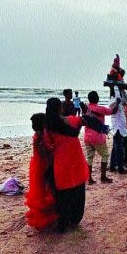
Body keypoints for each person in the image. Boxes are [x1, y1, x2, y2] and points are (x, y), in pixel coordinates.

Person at [44, 98, 89, 232]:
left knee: (63, 194)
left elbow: (48, 145)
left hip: (60, 162)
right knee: (78, 190)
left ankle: (62, 222)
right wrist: (84, 111)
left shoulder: (48, 126)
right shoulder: (71, 120)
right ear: (60, 108)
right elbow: (85, 120)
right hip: (75, 160)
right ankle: (75, 218)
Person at [25, 113, 58, 230]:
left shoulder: (36, 135)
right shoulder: (42, 137)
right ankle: (47, 217)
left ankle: (43, 215)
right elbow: (45, 152)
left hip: (36, 164)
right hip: (43, 165)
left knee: (39, 189)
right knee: (47, 189)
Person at [83, 91, 115, 184]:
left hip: (87, 136)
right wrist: (116, 102)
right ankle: (103, 177)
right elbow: (112, 111)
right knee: (105, 155)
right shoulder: (100, 109)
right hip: (98, 137)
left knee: (89, 157)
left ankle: (89, 178)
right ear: (97, 99)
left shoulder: (85, 108)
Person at [109, 85, 127, 174]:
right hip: (118, 128)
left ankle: (112, 166)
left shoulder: (116, 101)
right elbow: (112, 111)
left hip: (118, 128)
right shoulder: (113, 102)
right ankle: (120, 168)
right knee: (119, 149)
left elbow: (124, 99)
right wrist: (118, 102)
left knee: (115, 148)